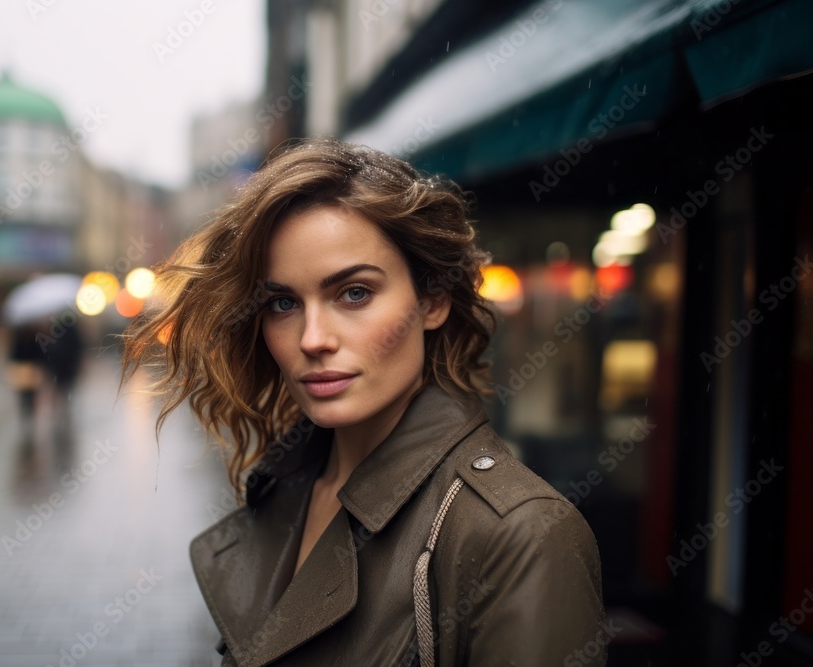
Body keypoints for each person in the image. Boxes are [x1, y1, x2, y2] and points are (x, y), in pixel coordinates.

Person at [121, 138, 605, 665]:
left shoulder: (519, 534)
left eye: (354, 293)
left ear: (432, 299)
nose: (312, 338)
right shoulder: (285, 488)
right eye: (283, 303)